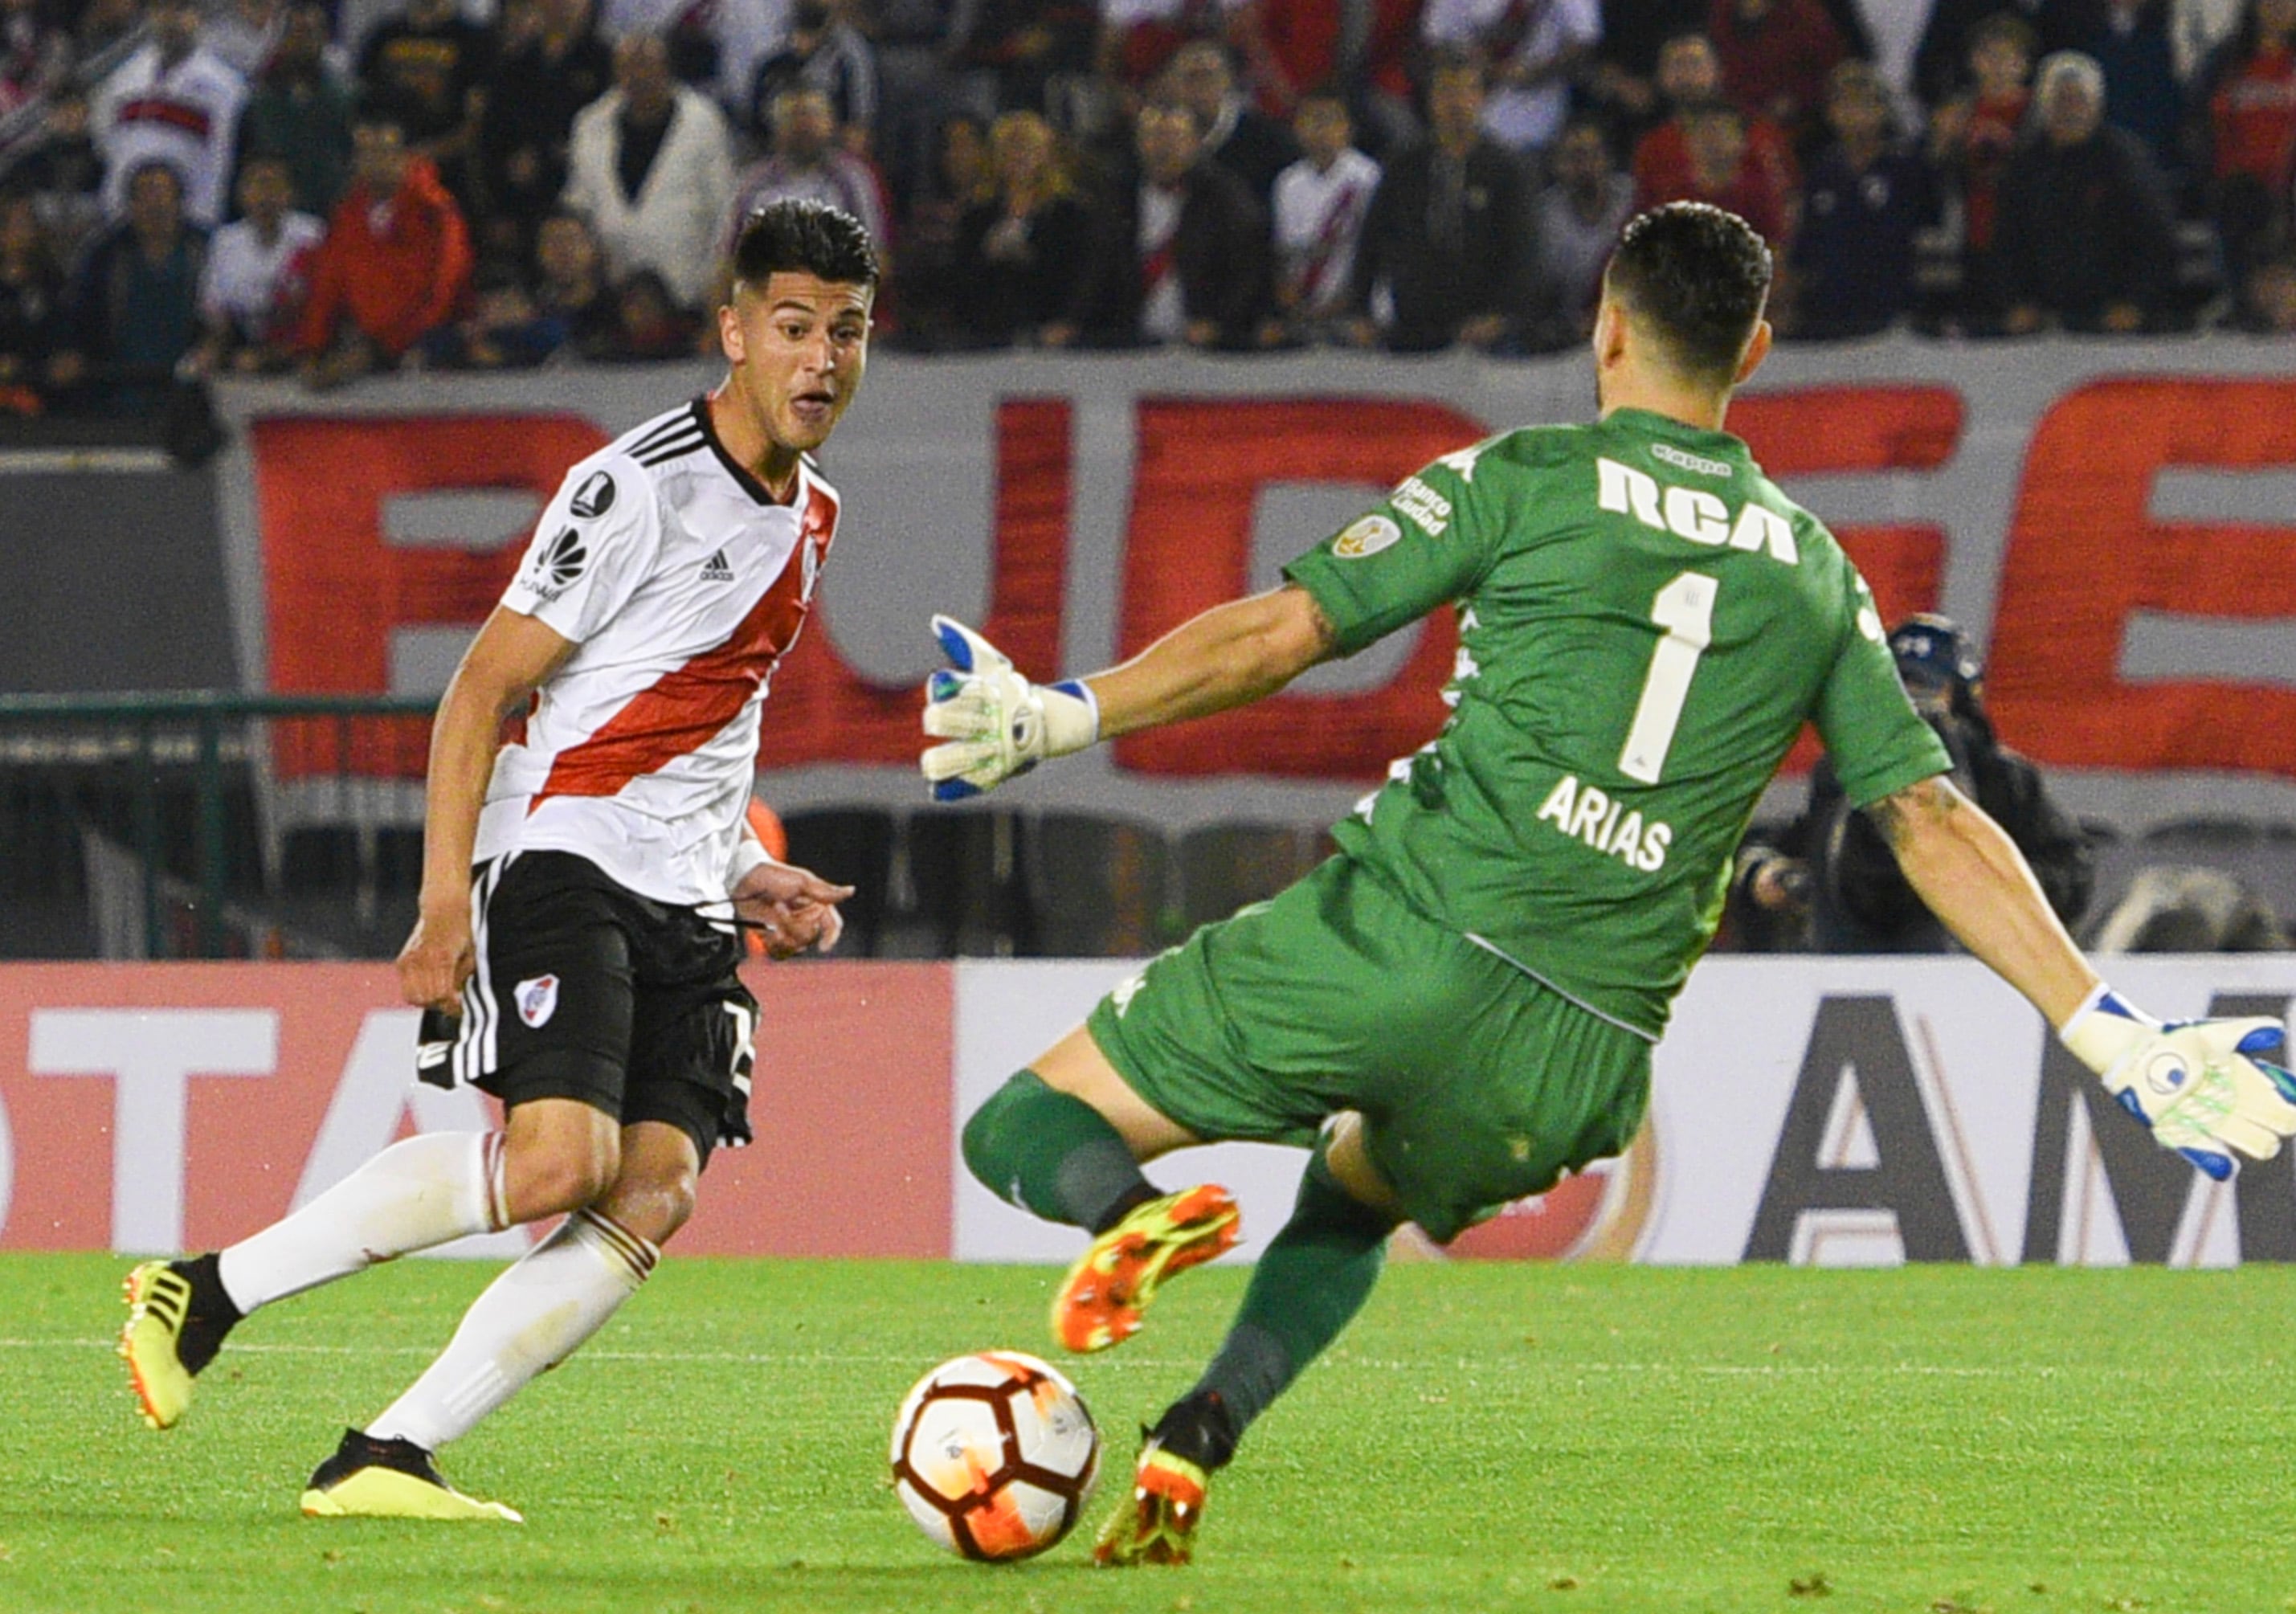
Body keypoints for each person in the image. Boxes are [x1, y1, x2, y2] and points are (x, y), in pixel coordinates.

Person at [917, 200, 2296, 1566]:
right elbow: (1928, 820)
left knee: (1026, 1120)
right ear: (1751, 349)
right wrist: (2109, 1031)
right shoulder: (1814, 574)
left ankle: (1132, 1216)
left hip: (1406, 930)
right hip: (1580, 1053)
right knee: (1350, 1202)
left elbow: (1282, 634)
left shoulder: (1522, 478)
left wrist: (1063, 713)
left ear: (1605, 322)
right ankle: (1201, 1427)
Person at [119, 198, 874, 1522]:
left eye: (849, 332)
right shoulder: (632, 483)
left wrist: (738, 867)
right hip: (564, 859)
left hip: (687, 891)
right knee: (553, 1167)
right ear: (736, 331)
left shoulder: (811, 511)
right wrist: (439, 898)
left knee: (657, 1185)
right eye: (795, 327)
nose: (821, 359)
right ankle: (209, 1287)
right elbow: (479, 690)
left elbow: (710, 701)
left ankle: (387, 1450)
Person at [1732, 612, 2092, 952]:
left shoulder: (2002, 778)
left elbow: (2070, 874)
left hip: (1974, 975)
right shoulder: (1844, 774)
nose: (1909, 703)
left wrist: (1997, 885)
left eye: (1924, 687)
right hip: (1850, 964)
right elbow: (1787, 855)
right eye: (1897, 686)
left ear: (1961, 697)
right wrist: (1773, 876)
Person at [1994, 48, 2178, 333]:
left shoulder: (2126, 159)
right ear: (2044, 104)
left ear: (2097, 103)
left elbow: (2156, 238)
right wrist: (2017, 301)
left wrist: (2135, 303)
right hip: (2045, 324)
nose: (2071, 109)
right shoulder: (2024, 165)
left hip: (2115, 321)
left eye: (2079, 99)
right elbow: (2008, 241)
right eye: (2061, 100)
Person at [296, 101, 472, 388]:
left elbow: (444, 288)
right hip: (364, 346)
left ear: (406, 157)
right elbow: (328, 286)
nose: (375, 162)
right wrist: (313, 349)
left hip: (427, 346)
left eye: (384, 153)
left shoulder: (435, 211)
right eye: (365, 154)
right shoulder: (347, 216)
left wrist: (386, 348)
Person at [562, 33, 737, 317]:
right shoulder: (591, 124)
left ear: (668, 69)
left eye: (647, 65)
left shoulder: (704, 122)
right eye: (628, 66)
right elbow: (579, 203)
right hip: (613, 293)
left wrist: (717, 289)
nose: (638, 75)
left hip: (687, 288)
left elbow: (724, 209)